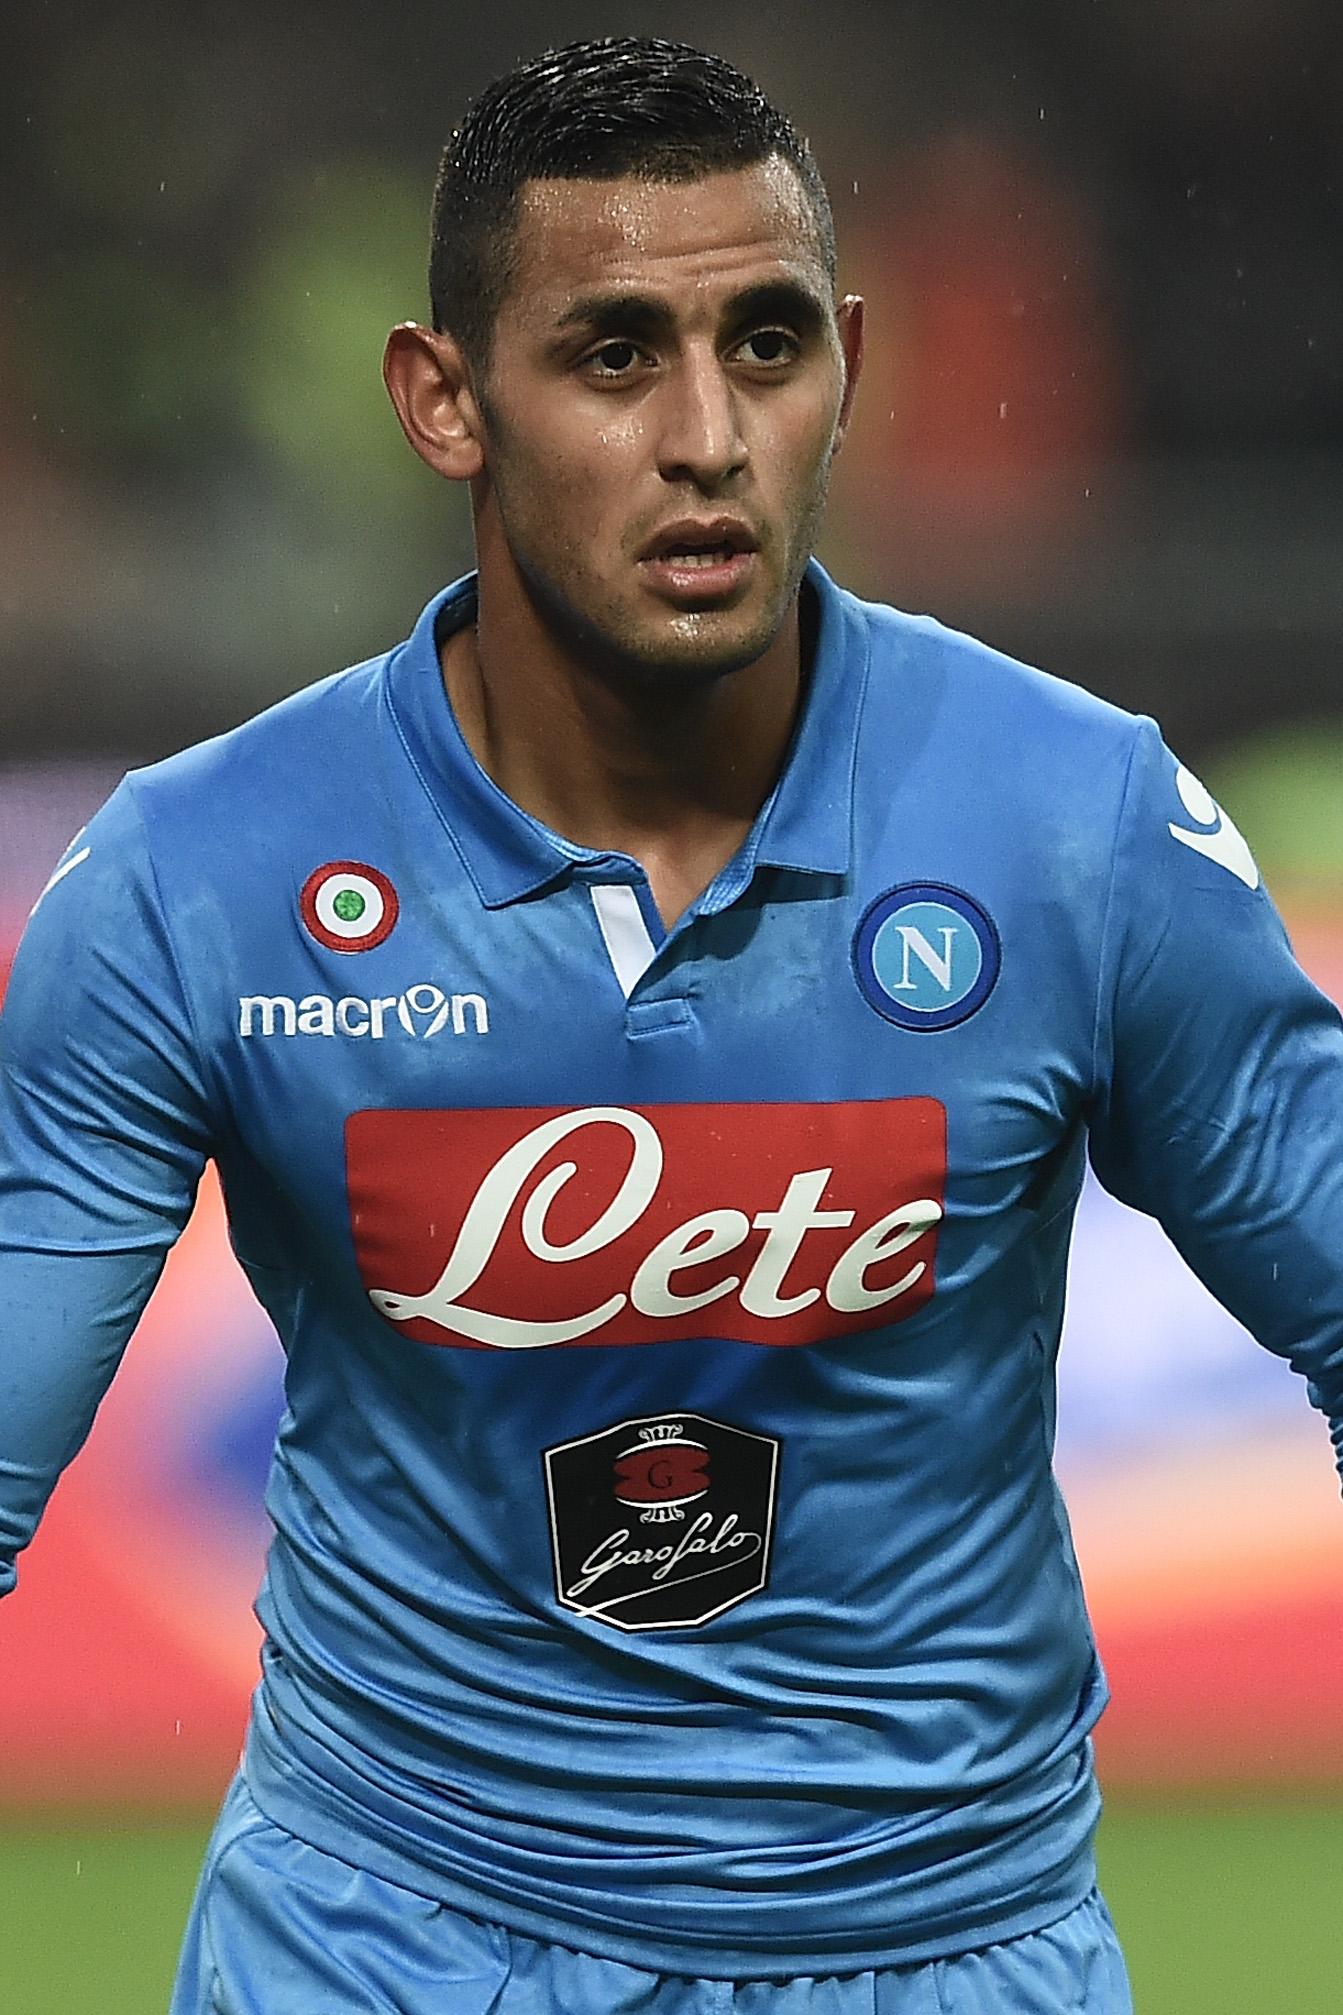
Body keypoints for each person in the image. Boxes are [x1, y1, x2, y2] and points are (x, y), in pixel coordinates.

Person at [1, 34, 1339, 2015]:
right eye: (615, 355)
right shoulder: (198, 881)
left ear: (849, 367)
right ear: (443, 399)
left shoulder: (1079, 827)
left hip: (940, 1950)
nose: (707, 435)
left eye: (768, 346)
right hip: (386, 1945)